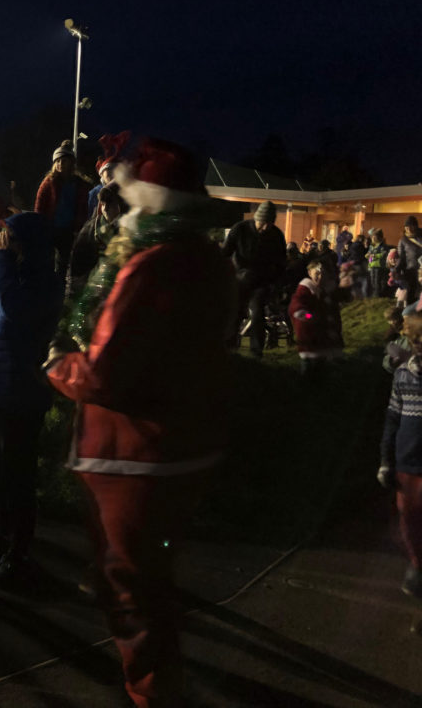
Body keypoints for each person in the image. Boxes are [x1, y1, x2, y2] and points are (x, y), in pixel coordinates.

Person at [46, 138, 236, 708]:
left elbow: (105, 373)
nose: (121, 212)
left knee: (132, 597)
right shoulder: (211, 261)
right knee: (150, 583)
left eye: (127, 201)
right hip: (186, 448)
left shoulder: (151, 266)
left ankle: (153, 694)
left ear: (149, 204)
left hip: (133, 458)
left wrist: (59, 365)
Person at [0, 211, 61, 589]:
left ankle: (20, 553)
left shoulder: (44, 281)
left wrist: (3, 261)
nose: (5, 242)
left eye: (11, 237)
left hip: (21, 392)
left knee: (18, 474)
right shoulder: (7, 272)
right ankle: (5, 537)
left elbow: (13, 308)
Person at [378, 308, 422, 605]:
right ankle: (418, 565)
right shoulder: (403, 375)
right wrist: (385, 460)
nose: (418, 345)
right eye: (414, 339)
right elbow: (392, 419)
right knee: (410, 520)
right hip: (407, 463)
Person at [221, 200, 286, 357]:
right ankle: (228, 349)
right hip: (240, 279)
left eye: (269, 224)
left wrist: (277, 285)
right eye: (263, 223)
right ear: (257, 218)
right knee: (235, 313)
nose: (265, 227)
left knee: (257, 315)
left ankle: (256, 352)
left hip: (261, 282)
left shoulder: (276, 235)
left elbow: (281, 262)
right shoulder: (240, 229)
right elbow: (225, 253)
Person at [34, 140, 88, 278]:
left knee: (62, 265)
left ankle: (59, 291)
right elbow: (39, 206)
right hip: (50, 228)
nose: (60, 164)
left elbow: (82, 207)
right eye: (57, 161)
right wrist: (39, 227)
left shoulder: (79, 184)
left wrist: (79, 227)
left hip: (68, 230)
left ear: (71, 162)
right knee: (47, 262)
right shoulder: (49, 182)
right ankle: (46, 289)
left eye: (63, 160)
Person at [289, 260, 343, 377]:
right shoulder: (304, 291)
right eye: (317, 273)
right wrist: (310, 316)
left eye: (323, 274)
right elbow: (298, 310)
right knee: (310, 373)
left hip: (322, 342)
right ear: (309, 273)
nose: (320, 277)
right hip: (309, 341)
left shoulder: (324, 293)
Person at [396, 217, 422, 307]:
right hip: (411, 270)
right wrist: (396, 270)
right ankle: (409, 312)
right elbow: (401, 257)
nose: (409, 229)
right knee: (411, 291)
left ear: (416, 226)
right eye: (407, 227)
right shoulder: (403, 241)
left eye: (411, 226)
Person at [367, 229, 392, 298]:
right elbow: (370, 255)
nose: (373, 238)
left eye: (374, 237)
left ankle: (378, 295)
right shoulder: (372, 246)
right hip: (372, 266)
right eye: (372, 237)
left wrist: (375, 256)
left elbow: (384, 254)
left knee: (377, 281)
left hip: (379, 266)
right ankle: (375, 294)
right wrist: (369, 263)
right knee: (373, 281)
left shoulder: (382, 246)